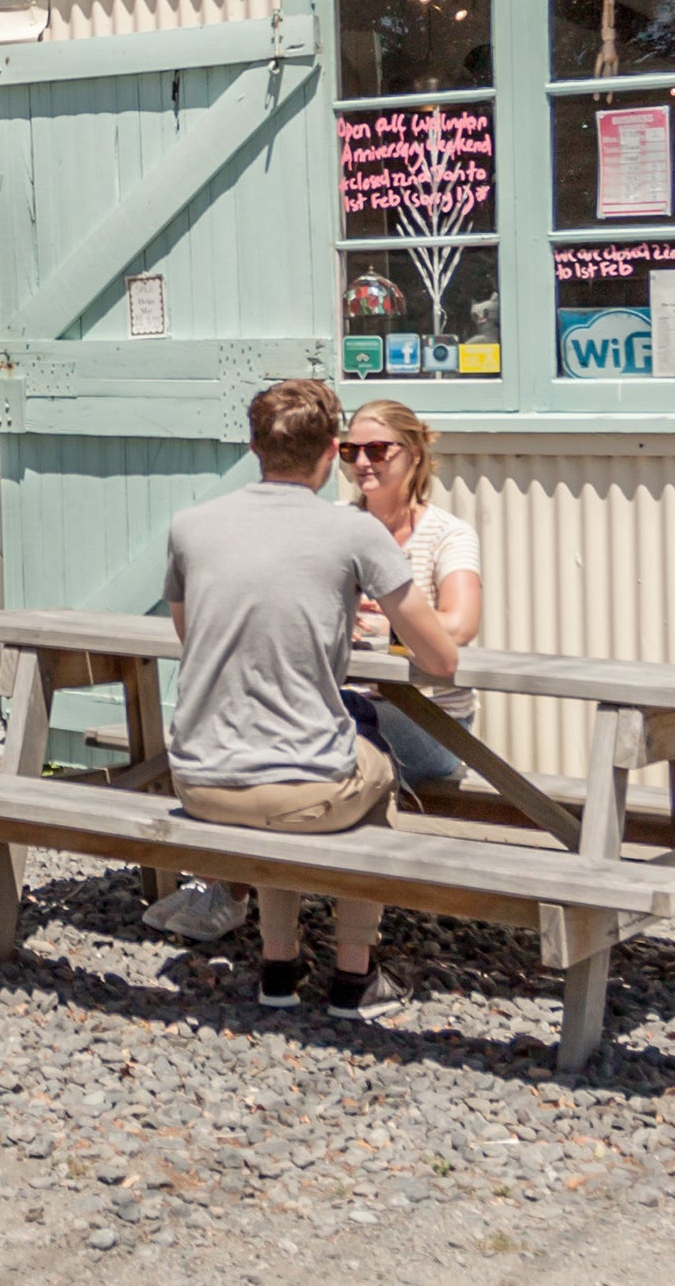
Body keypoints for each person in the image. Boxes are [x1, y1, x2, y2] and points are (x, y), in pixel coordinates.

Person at [164, 377, 462, 1015]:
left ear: (254, 447)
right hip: (302, 792)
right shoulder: (354, 534)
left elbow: (193, 637)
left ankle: (280, 966)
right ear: (332, 452)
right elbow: (442, 658)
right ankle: (355, 976)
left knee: (294, 749)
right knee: (370, 754)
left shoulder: (190, 526)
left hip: (197, 780)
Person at [338, 399, 486, 791]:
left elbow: (461, 625)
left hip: (435, 724)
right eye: (351, 451)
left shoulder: (447, 534)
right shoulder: (336, 525)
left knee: (323, 728)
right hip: (351, 705)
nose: (362, 462)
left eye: (378, 449)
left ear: (414, 454)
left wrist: (386, 619)